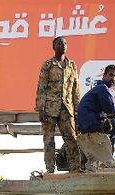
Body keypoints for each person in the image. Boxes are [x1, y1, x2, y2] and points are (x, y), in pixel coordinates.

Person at [76, 64, 115, 166]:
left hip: (88, 126)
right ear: (104, 75)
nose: (113, 79)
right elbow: (111, 111)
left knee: (111, 128)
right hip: (93, 125)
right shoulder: (102, 89)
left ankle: (109, 158)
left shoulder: (96, 89)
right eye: (111, 75)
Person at [35, 36, 81, 173]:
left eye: (65, 43)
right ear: (53, 47)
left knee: (71, 139)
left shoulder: (72, 65)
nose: (63, 45)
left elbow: (75, 89)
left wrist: (78, 110)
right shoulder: (48, 64)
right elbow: (41, 87)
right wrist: (40, 108)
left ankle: (76, 168)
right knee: (49, 140)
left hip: (67, 108)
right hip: (49, 108)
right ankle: (50, 169)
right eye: (59, 43)